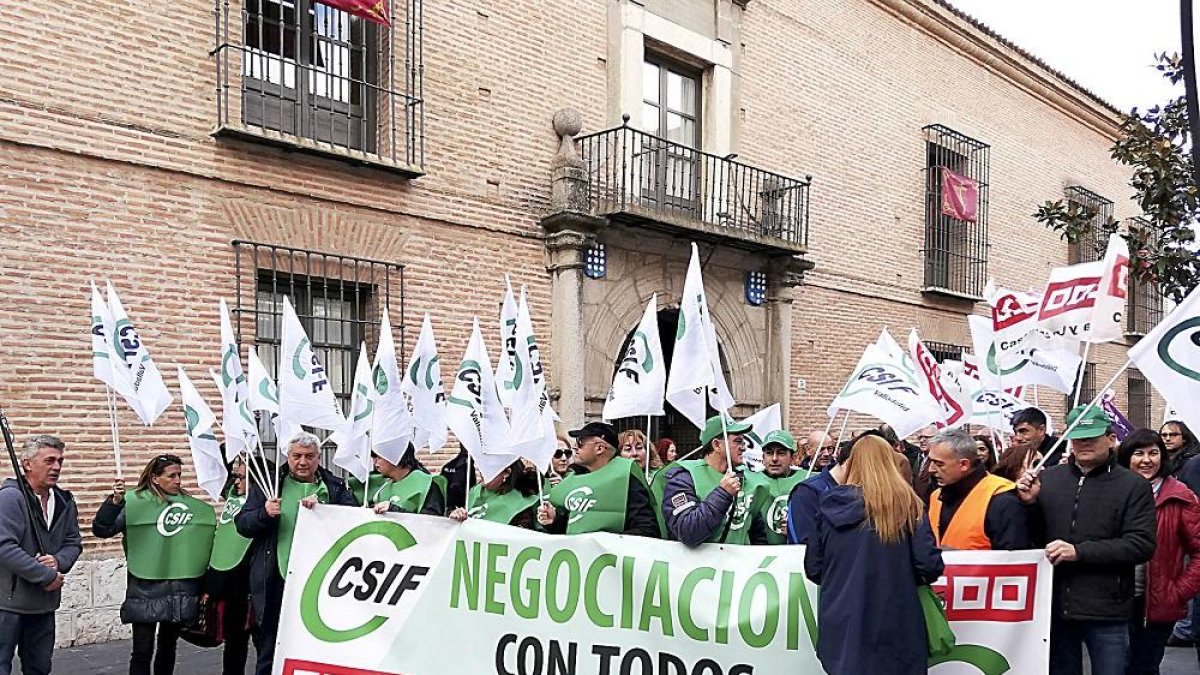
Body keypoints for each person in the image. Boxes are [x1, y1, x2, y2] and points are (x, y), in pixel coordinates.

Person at [1015, 405, 1156, 675]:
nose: (1084, 444)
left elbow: (1141, 544)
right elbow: (1033, 538)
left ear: (1111, 439)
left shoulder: (1133, 485)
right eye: (1079, 438)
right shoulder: (1049, 478)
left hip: (1107, 610)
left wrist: (1079, 552)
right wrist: (1029, 504)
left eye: (1091, 438)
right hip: (1054, 607)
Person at [804, 434, 944, 675]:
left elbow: (814, 568)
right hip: (896, 622)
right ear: (890, 462)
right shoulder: (908, 505)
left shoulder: (828, 507)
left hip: (841, 623)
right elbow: (928, 565)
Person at [235, 432, 357, 675]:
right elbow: (242, 524)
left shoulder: (334, 486)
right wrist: (264, 513)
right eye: (297, 456)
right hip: (274, 577)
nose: (303, 462)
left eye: (309, 456)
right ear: (287, 457)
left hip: (319, 580)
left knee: (314, 645)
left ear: (319, 458)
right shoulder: (269, 484)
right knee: (269, 645)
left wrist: (327, 510)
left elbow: (353, 520)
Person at [93, 454, 216, 675]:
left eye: (179, 475)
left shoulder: (194, 507)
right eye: (171, 476)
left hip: (179, 589)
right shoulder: (134, 502)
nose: (178, 480)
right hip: (145, 589)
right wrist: (114, 503)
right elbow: (102, 529)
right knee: (142, 649)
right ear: (155, 478)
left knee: (168, 648)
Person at [1115, 429, 1200, 675]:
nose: (1146, 460)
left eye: (1153, 453)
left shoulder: (1180, 496)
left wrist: (1179, 591)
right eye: (1138, 453)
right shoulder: (1111, 490)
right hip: (1112, 598)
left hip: (1157, 602)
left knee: (1144, 667)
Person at [0, 435, 80, 675]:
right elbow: (4, 547)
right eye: (49, 461)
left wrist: (58, 561)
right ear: (27, 464)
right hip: (7, 604)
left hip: (44, 605)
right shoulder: (10, 498)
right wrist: (46, 575)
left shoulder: (64, 501)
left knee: (39, 668)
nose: (56, 467)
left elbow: (73, 542)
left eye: (60, 461)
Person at [537, 422, 660, 537]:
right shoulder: (574, 478)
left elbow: (647, 528)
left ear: (600, 448)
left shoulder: (625, 477)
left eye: (580, 442)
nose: (575, 448)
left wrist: (602, 543)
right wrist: (553, 521)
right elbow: (572, 526)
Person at [660, 416, 762, 546]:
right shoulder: (683, 479)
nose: (743, 448)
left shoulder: (746, 479)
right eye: (737, 441)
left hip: (739, 565)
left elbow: (757, 533)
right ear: (716, 445)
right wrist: (723, 493)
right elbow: (688, 532)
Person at [926, 429, 1027, 550]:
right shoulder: (936, 496)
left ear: (964, 464)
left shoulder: (1001, 499)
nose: (931, 469)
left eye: (939, 464)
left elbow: (1013, 562)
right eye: (931, 461)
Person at [205, 459, 253, 675]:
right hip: (226, 575)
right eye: (235, 476)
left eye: (242, 477)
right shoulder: (233, 492)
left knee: (253, 638)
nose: (237, 480)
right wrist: (239, 450)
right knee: (234, 639)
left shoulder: (261, 500)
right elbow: (219, 458)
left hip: (247, 576)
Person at [749, 430, 806, 544]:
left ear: (793, 457)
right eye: (769, 453)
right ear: (763, 457)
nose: (774, 458)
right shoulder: (750, 482)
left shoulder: (808, 480)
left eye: (781, 453)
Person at [449, 460, 541, 529]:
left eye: (489, 468)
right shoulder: (475, 491)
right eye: (481, 465)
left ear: (507, 472)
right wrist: (455, 518)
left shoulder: (520, 504)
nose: (482, 471)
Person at [369, 444, 446, 516]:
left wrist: (395, 510)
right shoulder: (383, 487)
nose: (375, 463)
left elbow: (433, 521)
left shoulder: (425, 484)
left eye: (379, 457)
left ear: (395, 457)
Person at [1161, 420, 1200, 492]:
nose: (1168, 438)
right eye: (1164, 435)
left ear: (1184, 438)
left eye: (1173, 435)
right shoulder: (1158, 461)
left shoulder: (1193, 462)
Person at [440, 444, 477, 513]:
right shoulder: (465, 465)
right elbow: (456, 487)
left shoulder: (451, 464)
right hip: (459, 510)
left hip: (447, 507)